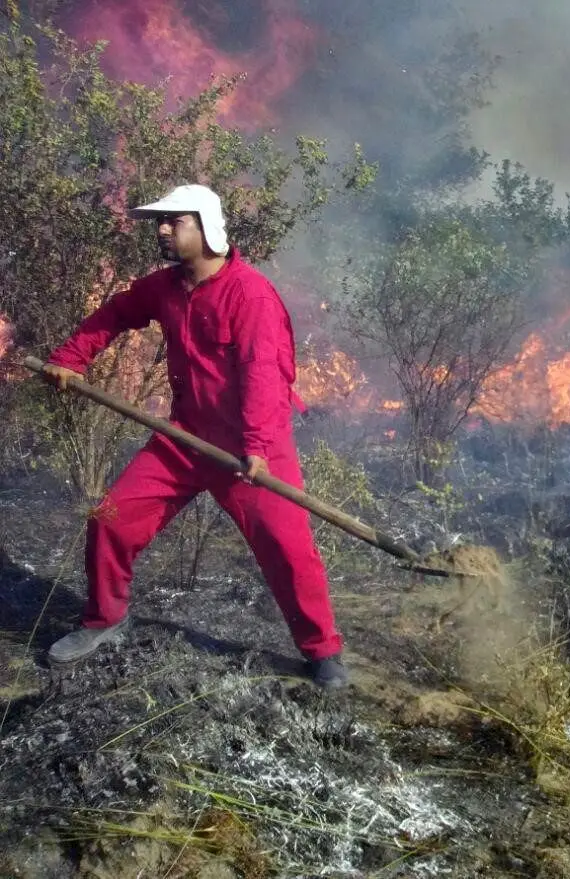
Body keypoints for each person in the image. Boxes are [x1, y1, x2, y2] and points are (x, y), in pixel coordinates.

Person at [40, 183, 348, 691]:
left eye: (173, 221)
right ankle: (104, 620)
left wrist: (254, 447)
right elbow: (115, 315)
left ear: (206, 228)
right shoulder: (165, 288)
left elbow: (262, 376)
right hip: (184, 438)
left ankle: (322, 651)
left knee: (287, 547)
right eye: (159, 223)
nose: (161, 230)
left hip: (252, 446)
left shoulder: (249, 295)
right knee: (112, 519)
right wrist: (70, 360)